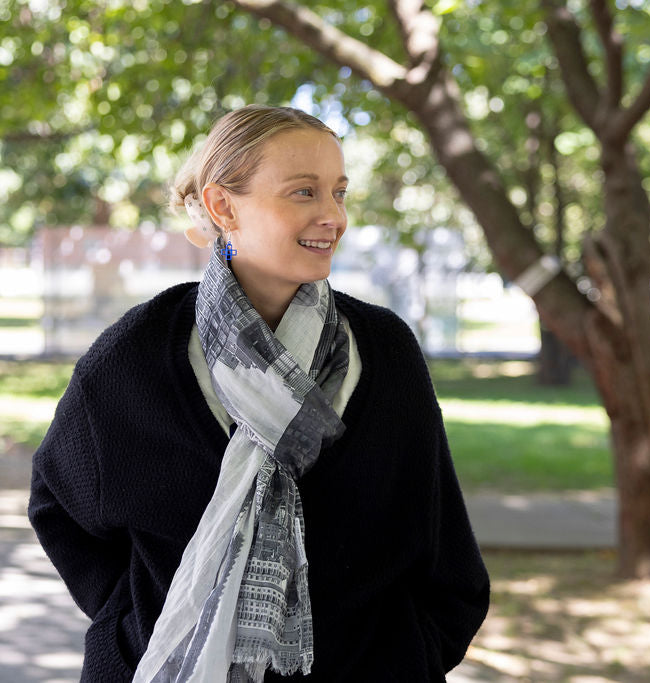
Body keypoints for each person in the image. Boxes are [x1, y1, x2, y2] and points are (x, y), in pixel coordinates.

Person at [27, 104, 490, 683]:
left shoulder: (385, 351)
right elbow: (59, 507)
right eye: (304, 193)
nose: (333, 217)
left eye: (339, 193)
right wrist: (142, 621)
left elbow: (442, 546)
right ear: (224, 206)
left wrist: (408, 656)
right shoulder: (133, 358)